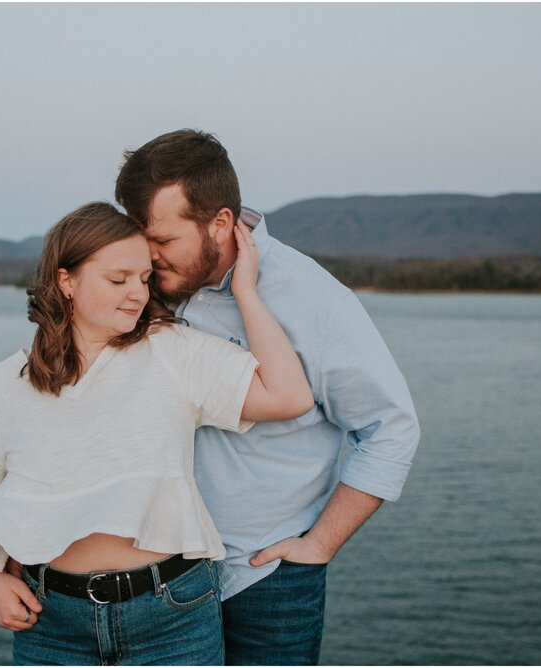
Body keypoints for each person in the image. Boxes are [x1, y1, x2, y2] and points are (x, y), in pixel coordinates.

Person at [0, 202, 313, 665]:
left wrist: (246, 291)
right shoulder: (6, 383)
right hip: (52, 624)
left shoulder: (172, 352)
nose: (137, 294)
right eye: (117, 279)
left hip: (172, 615)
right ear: (66, 281)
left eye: (144, 279)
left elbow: (290, 396)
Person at [115, 129, 421, 665]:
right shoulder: (142, 285)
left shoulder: (313, 298)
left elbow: (391, 428)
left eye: (163, 241)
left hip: (264, 580)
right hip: (157, 575)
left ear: (221, 223)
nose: (150, 255)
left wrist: (320, 544)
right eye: (143, 239)